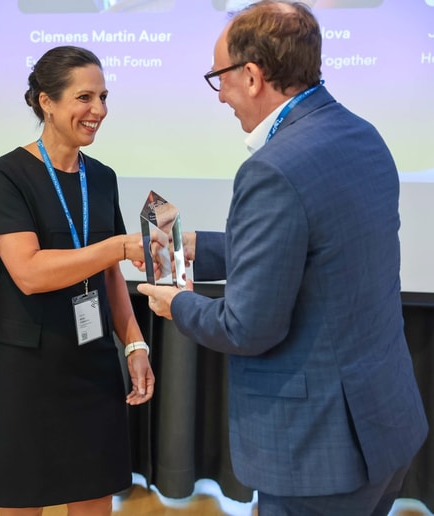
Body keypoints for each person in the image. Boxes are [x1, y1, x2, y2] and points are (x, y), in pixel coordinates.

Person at [137, 2, 428, 514]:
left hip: (319, 453)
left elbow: (247, 328)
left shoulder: (272, 168)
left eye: (219, 77)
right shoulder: (361, 134)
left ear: (252, 76)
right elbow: (315, 250)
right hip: (384, 425)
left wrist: (176, 303)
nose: (219, 94)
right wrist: (198, 247)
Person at [0, 45, 155, 515]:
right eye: (84, 97)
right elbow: (29, 273)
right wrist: (116, 246)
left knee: (94, 495)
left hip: (92, 363)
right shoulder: (4, 174)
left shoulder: (102, 177)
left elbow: (110, 274)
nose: (99, 110)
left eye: (103, 97)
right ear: (46, 102)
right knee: (21, 499)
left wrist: (134, 344)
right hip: (25, 370)